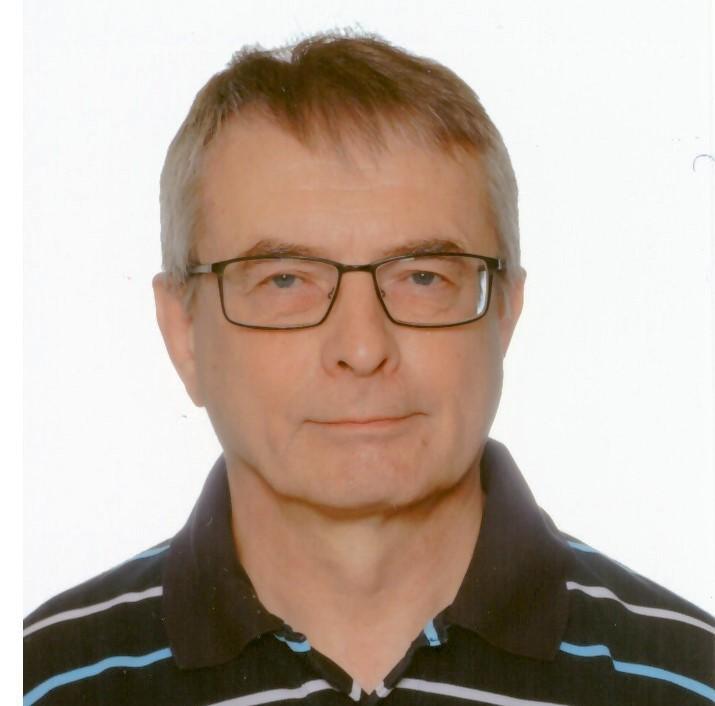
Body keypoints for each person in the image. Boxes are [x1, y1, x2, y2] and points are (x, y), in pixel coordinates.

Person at [23, 30, 714, 706]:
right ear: (184, 334)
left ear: (503, 313)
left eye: (422, 277)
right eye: (285, 281)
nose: (361, 348)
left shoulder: (690, 680)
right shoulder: (40, 679)